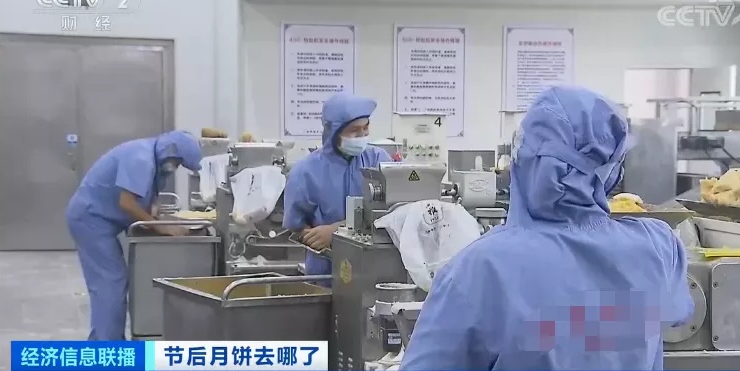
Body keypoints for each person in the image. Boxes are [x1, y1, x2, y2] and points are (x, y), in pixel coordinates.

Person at [400, 86, 694, 370]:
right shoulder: (659, 247)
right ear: (612, 171)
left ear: (523, 160)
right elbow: (678, 315)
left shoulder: (480, 271)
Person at [65, 130, 203, 340]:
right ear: (171, 152)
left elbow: (149, 193)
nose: (175, 167)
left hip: (102, 220)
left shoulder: (155, 160)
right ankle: (106, 348)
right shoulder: (141, 158)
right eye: (178, 162)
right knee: (110, 283)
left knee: (112, 282)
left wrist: (154, 209)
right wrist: (160, 227)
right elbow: (126, 203)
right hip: (90, 219)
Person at [283, 94, 392, 283]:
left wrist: (337, 232)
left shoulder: (378, 160)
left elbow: (393, 213)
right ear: (334, 131)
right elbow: (296, 225)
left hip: (374, 269)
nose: (362, 135)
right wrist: (316, 238)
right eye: (354, 130)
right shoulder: (305, 172)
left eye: (365, 128)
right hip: (325, 274)